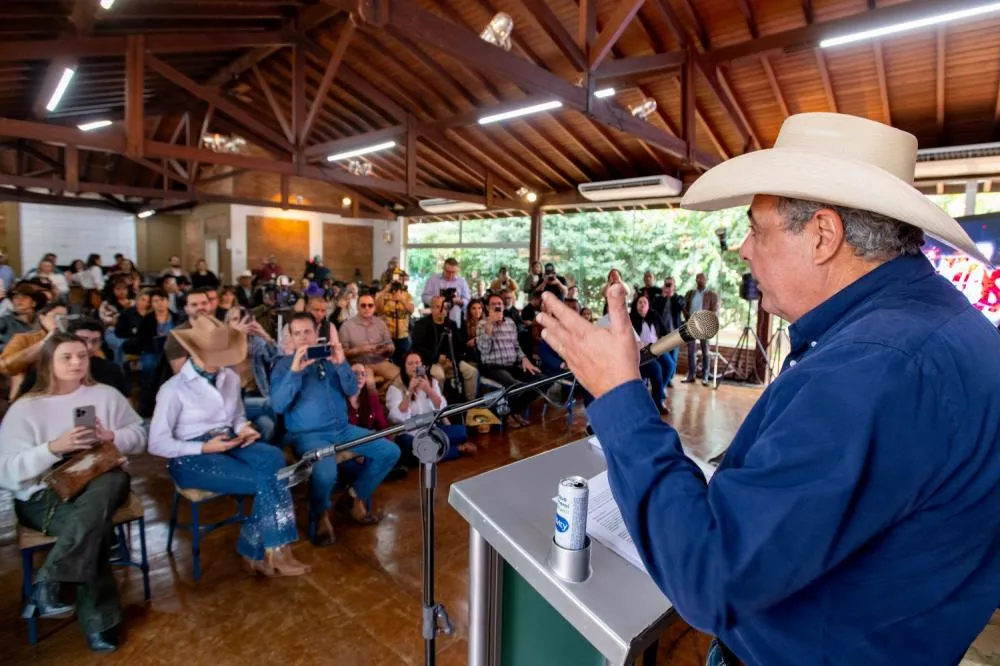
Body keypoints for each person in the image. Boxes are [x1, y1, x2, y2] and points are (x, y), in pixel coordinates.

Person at [536, 112, 1000, 666]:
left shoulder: (874, 368)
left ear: (823, 235)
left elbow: (710, 575)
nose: (744, 249)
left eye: (757, 229)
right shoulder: (941, 324)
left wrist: (618, 394)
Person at [0, 333, 146, 652]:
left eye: (82, 355)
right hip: (42, 496)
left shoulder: (105, 395)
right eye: (66, 357)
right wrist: (53, 448)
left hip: (98, 483)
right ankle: (100, 623)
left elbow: (139, 436)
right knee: (89, 531)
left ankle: (51, 581)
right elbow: (6, 473)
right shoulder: (25, 409)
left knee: (111, 481)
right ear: (47, 362)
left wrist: (113, 437)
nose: (77, 362)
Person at [149, 316, 308, 576]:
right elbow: (156, 444)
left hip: (229, 441)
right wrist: (203, 448)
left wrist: (244, 428)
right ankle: (274, 549)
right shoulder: (173, 389)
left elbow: (236, 417)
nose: (220, 360)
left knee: (275, 458)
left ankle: (259, 547)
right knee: (271, 481)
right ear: (194, 352)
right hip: (191, 456)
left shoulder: (229, 378)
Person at [270, 313, 400, 546]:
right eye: (297, 333)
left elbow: (351, 389)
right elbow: (278, 405)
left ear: (316, 333)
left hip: (342, 429)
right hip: (308, 435)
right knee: (326, 472)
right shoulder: (283, 365)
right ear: (291, 337)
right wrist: (295, 371)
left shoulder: (330, 359)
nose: (303, 338)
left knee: (390, 451)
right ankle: (319, 514)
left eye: (307, 332)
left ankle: (352, 498)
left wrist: (341, 363)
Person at [386, 352, 472, 465]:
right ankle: (456, 449)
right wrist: (409, 390)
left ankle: (432, 450)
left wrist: (429, 390)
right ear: (404, 367)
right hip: (408, 432)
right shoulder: (396, 387)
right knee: (410, 446)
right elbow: (397, 417)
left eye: (417, 363)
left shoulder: (431, 381)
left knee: (462, 432)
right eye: (410, 364)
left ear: (422, 365)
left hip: (430, 428)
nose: (414, 366)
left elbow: (441, 407)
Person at [19, 319, 129, 398]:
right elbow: (25, 400)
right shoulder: (46, 368)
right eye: (83, 339)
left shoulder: (112, 369)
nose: (89, 346)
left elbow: (123, 403)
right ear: (69, 339)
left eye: (95, 341)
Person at [477, 293, 541, 427]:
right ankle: (507, 416)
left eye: (499, 304)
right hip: (493, 367)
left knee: (542, 380)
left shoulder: (510, 323)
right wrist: (490, 324)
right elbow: (483, 349)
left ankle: (514, 411)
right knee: (517, 387)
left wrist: (524, 358)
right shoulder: (482, 324)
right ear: (488, 308)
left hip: (512, 365)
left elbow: (516, 346)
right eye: (493, 304)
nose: (497, 306)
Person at [225, 307, 279, 443]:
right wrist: (236, 337)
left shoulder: (255, 341)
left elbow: (276, 358)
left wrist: (264, 334)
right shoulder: (222, 344)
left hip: (254, 395)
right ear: (227, 324)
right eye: (236, 320)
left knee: (268, 425)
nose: (241, 323)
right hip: (232, 399)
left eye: (245, 320)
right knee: (271, 404)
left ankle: (261, 450)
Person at [410, 296, 479, 402]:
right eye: (437, 307)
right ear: (431, 308)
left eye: (444, 307)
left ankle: (470, 403)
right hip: (429, 361)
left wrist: (450, 358)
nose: (441, 310)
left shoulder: (451, 324)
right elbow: (416, 348)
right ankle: (438, 406)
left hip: (450, 360)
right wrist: (437, 358)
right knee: (439, 376)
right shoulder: (422, 324)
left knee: (472, 372)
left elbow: (459, 346)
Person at [0, 301, 67, 398]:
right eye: (56, 316)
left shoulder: (76, 341)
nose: (60, 321)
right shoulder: (25, 339)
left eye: (65, 318)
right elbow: (6, 366)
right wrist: (47, 339)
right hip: (30, 394)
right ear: (42, 318)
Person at [338, 292, 400, 384]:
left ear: (374, 307)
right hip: (358, 364)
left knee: (401, 378)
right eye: (363, 305)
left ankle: (384, 391)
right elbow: (341, 353)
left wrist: (387, 349)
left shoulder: (381, 323)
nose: (367, 308)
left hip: (379, 362)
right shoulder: (347, 326)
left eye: (370, 305)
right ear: (357, 307)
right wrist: (358, 350)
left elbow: (390, 345)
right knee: (369, 383)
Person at [630, 295, 673, 414]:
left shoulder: (654, 315)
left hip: (657, 347)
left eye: (645, 302)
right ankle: (657, 402)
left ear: (649, 305)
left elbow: (665, 331)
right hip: (641, 352)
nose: (642, 304)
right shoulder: (631, 318)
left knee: (670, 365)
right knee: (657, 369)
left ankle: (659, 390)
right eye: (640, 302)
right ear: (636, 305)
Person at [164, 287, 214, 374]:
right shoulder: (177, 335)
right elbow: (182, 374)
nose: (200, 307)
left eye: (204, 303)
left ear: (210, 305)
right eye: (194, 305)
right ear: (186, 309)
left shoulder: (219, 328)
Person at [682, 272, 719, 386]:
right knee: (691, 351)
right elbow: (684, 307)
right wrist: (688, 317)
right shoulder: (690, 293)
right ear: (696, 280)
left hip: (704, 325)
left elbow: (714, 310)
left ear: (706, 280)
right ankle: (691, 375)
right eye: (698, 278)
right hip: (691, 323)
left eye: (702, 278)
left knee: (705, 351)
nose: (700, 280)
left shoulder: (712, 295)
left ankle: (705, 377)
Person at [375, 270, 415, 367]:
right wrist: (385, 290)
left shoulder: (407, 295)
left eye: (400, 279)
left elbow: (411, 310)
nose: (398, 282)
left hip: (403, 336)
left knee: (404, 362)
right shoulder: (382, 294)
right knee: (387, 363)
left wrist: (402, 299)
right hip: (386, 337)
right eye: (396, 279)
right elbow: (378, 310)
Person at [421, 257, 470, 328]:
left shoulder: (462, 282)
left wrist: (460, 302)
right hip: (435, 320)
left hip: (454, 319)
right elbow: (424, 297)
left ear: (457, 271)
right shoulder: (433, 279)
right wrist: (436, 300)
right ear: (443, 268)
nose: (450, 275)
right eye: (448, 272)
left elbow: (467, 299)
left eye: (453, 272)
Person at [99, 277, 134, 365]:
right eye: (118, 289)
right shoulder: (107, 304)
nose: (121, 291)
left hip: (132, 332)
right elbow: (108, 320)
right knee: (121, 344)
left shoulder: (134, 303)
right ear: (112, 290)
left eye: (124, 289)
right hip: (112, 331)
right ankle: (118, 367)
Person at [347, 364, 389, 432]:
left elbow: (382, 425)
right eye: (355, 373)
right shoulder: (338, 399)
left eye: (363, 374)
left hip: (370, 437)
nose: (360, 377)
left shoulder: (371, 398)